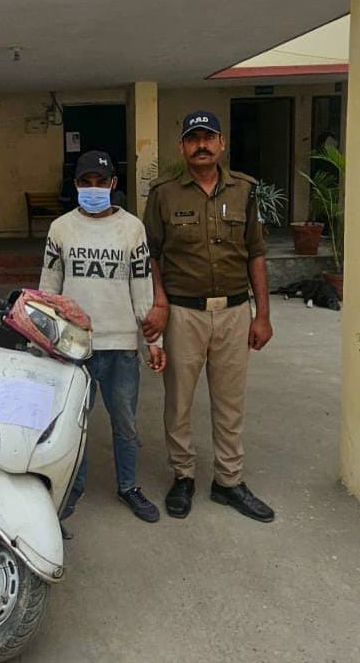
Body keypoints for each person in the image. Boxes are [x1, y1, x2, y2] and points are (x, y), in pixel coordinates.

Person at [143, 111, 275, 524]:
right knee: (179, 402)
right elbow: (150, 255)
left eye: (208, 137)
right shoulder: (163, 194)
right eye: (193, 138)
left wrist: (262, 314)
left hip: (234, 313)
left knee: (230, 403)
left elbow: (256, 253)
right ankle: (183, 476)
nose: (201, 144)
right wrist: (159, 303)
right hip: (183, 313)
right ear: (182, 147)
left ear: (221, 143)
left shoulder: (245, 191)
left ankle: (228, 481)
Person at [40, 150, 165, 523]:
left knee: (125, 422)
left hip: (121, 346)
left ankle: (128, 486)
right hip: (74, 346)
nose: (93, 188)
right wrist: (45, 340)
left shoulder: (132, 229)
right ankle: (72, 486)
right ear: (75, 184)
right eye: (86, 182)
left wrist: (154, 341)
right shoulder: (61, 229)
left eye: (100, 182)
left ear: (113, 184)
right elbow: (49, 289)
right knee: (72, 422)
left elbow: (142, 288)